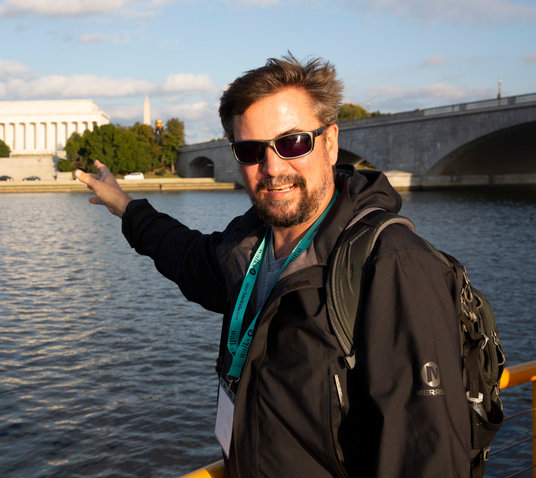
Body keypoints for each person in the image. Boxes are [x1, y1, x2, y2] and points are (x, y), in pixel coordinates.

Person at [75, 54, 469, 477]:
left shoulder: (393, 266)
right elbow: (184, 254)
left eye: (293, 141)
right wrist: (125, 206)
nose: (273, 168)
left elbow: (429, 458)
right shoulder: (248, 247)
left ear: (330, 141)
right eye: (250, 150)